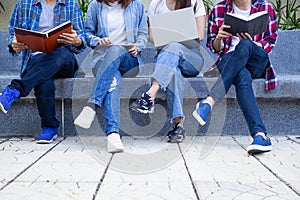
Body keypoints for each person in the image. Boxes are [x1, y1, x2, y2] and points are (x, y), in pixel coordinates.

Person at [192, 0, 278, 154]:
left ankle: (209, 101)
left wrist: (252, 44)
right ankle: (260, 135)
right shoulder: (219, 9)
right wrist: (218, 38)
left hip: (257, 60)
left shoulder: (266, 8)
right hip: (230, 61)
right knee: (242, 75)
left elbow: (270, 42)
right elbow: (214, 47)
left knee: (244, 45)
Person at [0, 0, 86, 144]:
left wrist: (77, 40)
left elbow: (82, 40)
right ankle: (49, 127)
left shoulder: (71, 4)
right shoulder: (24, 4)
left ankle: (16, 89)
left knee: (61, 53)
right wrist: (14, 44)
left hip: (64, 61)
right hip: (36, 59)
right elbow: (12, 33)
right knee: (44, 78)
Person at [73, 0, 148, 153]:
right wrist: (98, 41)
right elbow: (87, 34)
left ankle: (92, 104)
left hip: (129, 60)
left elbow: (143, 34)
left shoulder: (136, 5)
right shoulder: (95, 5)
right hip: (102, 60)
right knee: (113, 78)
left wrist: (137, 46)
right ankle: (113, 135)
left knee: (116, 50)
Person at [130, 0, 206, 143]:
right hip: (167, 58)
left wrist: (172, 36)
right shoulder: (156, 4)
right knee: (174, 72)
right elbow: (152, 37)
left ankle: (150, 93)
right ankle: (178, 125)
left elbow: (200, 35)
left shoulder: (196, 2)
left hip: (191, 58)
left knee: (174, 46)